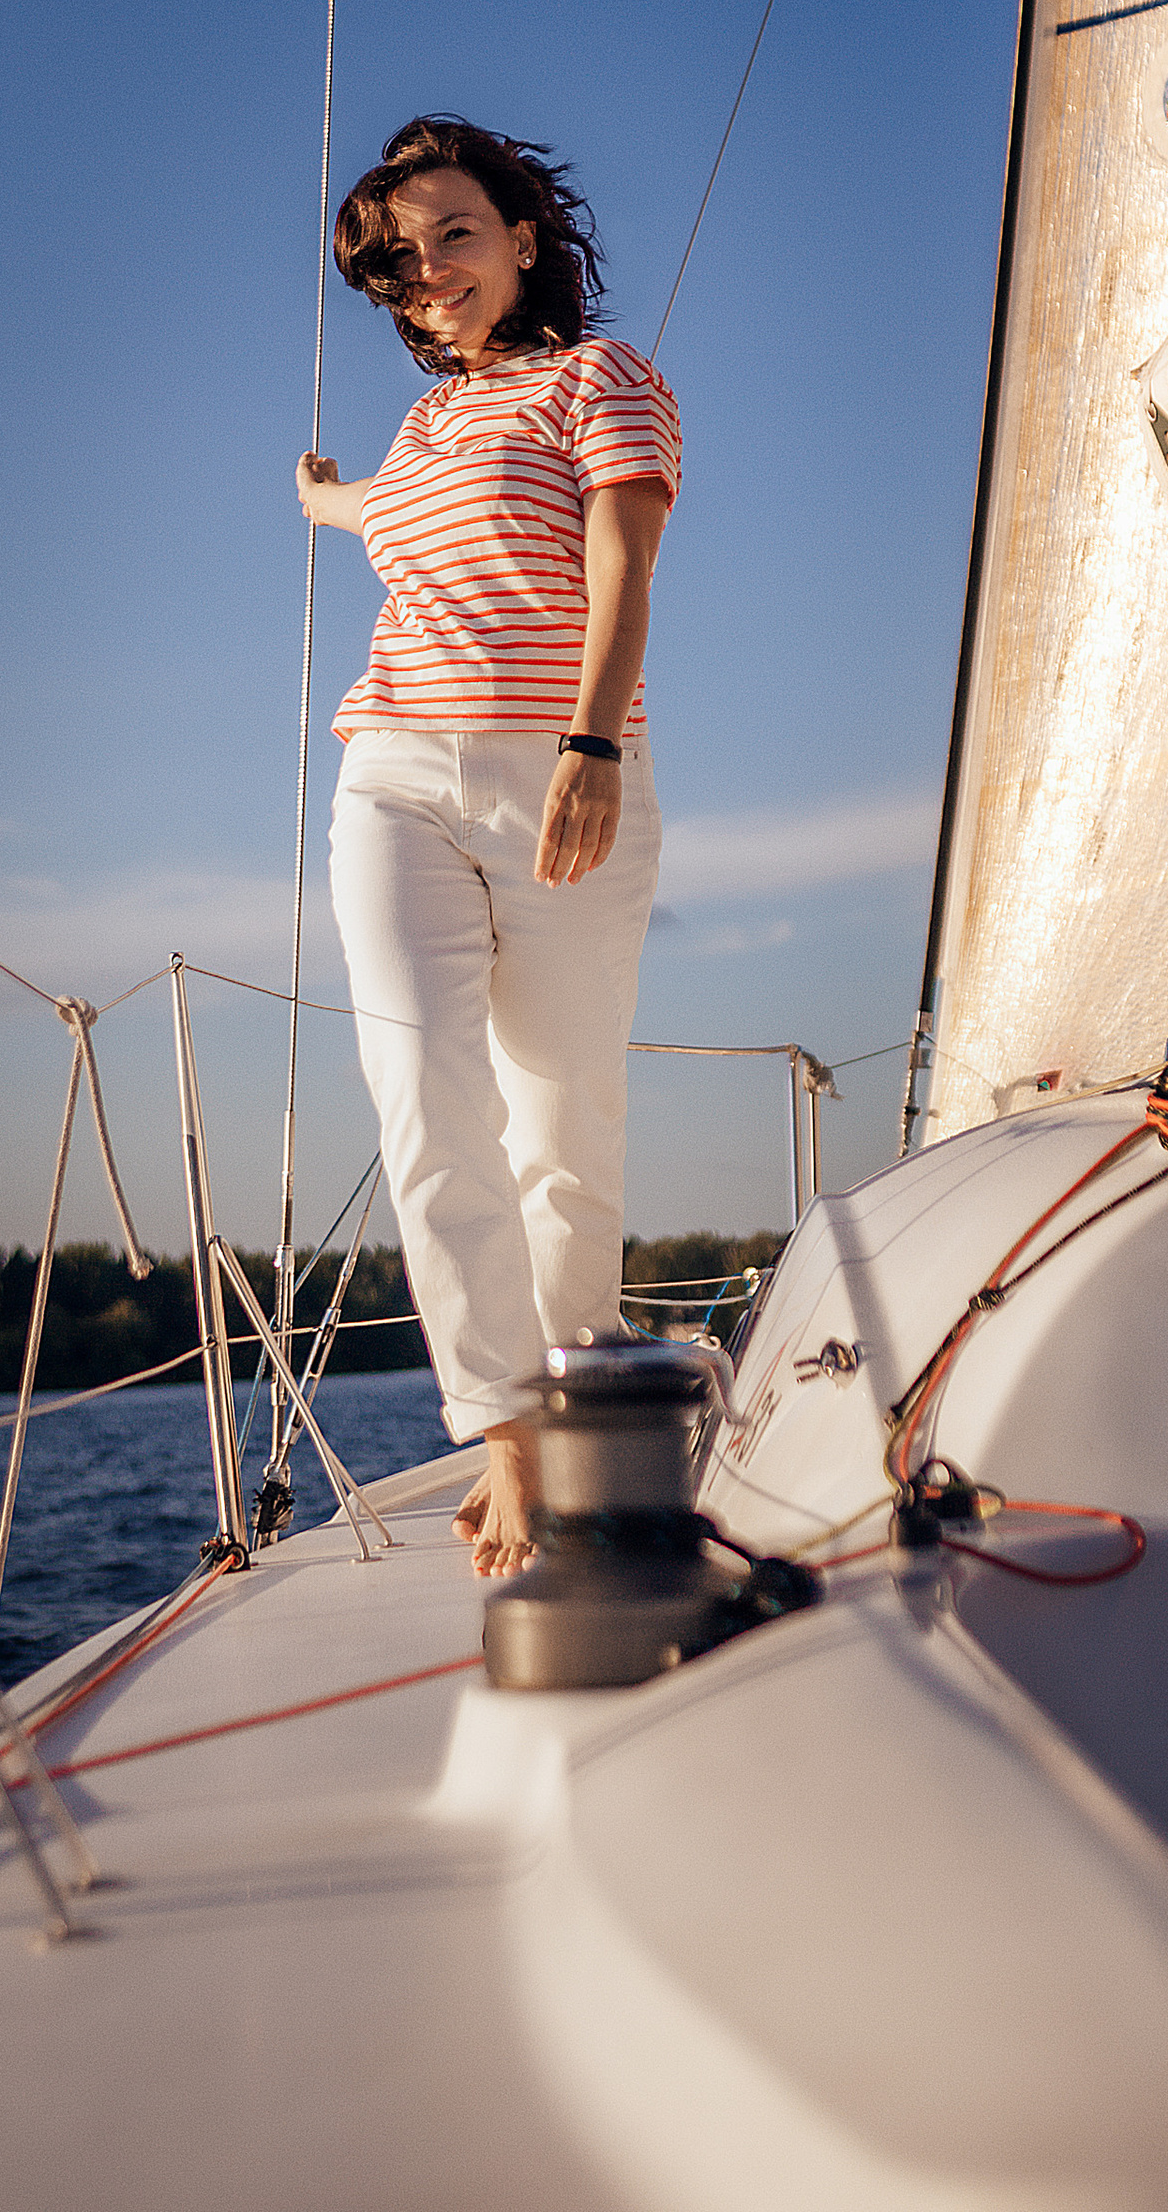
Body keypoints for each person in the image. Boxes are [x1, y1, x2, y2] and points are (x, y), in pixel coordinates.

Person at [297, 116, 679, 1578]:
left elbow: (622, 564)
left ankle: (579, 1385)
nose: (432, 271)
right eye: (405, 261)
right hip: (391, 774)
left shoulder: (602, 380)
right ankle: (508, 1433)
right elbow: (373, 515)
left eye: (455, 234)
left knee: (561, 1113)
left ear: (523, 238)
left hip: (566, 776)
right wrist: (318, 494)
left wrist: (589, 747)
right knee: (422, 1093)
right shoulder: (420, 430)